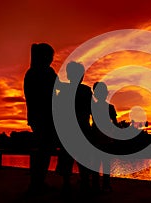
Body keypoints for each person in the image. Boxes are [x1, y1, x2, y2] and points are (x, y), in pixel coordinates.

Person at [24, 43, 59, 195]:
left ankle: (37, 182)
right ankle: (37, 184)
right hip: (45, 116)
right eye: (50, 56)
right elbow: (57, 90)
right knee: (44, 151)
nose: (52, 59)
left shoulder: (31, 72)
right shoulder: (45, 72)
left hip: (36, 117)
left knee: (43, 150)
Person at [55, 61, 93, 193]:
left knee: (67, 158)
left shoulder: (64, 90)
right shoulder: (86, 91)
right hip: (82, 129)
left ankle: (67, 184)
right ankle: (85, 183)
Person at [91, 81, 118, 192]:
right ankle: (106, 185)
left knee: (96, 164)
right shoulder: (110, 107)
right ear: (106, 93)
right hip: (106, 139)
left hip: (96, 138)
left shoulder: (93, 107)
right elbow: (115, 124)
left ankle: (96, 185)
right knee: (106, 164)